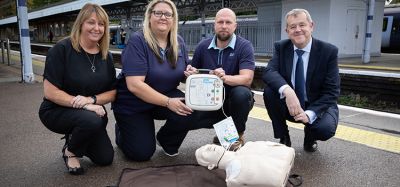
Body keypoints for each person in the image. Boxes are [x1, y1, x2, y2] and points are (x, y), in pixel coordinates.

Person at [38, 3, 116, 175]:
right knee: (93, 119)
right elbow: (50, 92)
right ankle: (70, 151)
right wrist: (85, 106)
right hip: (56, 110)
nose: (97, 28)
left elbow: (113, 92)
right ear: (81, 23)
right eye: (91, 22)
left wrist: (91, 100)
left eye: (101, 24)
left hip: (90, 114)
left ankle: (75, 137)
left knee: (105, 158)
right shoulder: (62, 49)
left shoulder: (106, 55)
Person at [112, 0, 194, 161]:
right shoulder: (138, 41)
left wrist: (190, 73)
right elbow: (135, 85)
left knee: (190, 108)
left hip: (163, 95)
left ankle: (166, 140)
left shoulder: (178, 42)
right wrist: (169, 102)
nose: (163, 17)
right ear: (149, 16)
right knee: (141, 153)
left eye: (168, 14)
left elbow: (183, 70)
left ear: (173, 19)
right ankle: (122, 131)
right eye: (158, 13)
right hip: (133, 103)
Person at [262, 8, 340, 152]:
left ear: (311, 26)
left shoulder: (328, 51)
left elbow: (332, 92)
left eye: (302, 25)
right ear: (287, 31)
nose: (298, 30)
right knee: (269, 92)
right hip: (291, 103)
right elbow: (269, 72)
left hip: (317, 104)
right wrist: (288, 91)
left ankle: (310, 135)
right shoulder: (281, 47)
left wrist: (310, 114)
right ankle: (283, 136)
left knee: (324, 129)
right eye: (293, 27)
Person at [184, 8, 255, 151]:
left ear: (235, 26)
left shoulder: (244, 46)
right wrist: (191, 73)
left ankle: (236, 134)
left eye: (228, 22)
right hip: (208, 100)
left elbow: (247, 79)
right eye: (220, 22)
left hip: (232, 103)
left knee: (241, 94)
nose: (224, 26)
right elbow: (194, 73)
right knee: (182, 115)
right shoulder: (203, 46)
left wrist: (224, 78)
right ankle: (166, 141)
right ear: (214, 25)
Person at [195, 141, 295, 187]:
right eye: (204, 152)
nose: (208, 147)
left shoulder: (248, 146)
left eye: (207, 145)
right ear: (211, 165)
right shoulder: (233, 179)